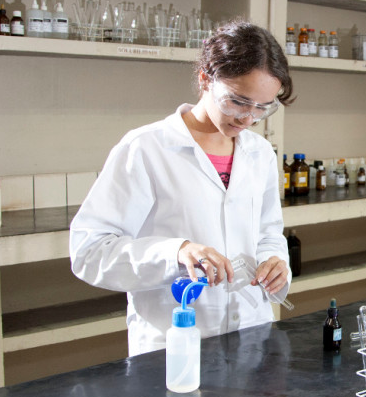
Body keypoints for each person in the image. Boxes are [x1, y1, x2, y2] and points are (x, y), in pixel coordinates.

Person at [69, 20, 294, 356]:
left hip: (251, 336)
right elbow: (89, 251)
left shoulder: (259, 153)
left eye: (262, 108)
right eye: (237, 101)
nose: (247, 118)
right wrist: (176, 252)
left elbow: (267, 233)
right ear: (205, 78)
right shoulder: (146, 148)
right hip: (172, 345)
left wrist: (275, 262)